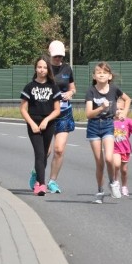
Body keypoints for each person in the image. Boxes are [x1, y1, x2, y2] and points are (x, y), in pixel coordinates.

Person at [85, 62, 131, 204]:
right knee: (99, 163)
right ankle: (100, 191)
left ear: (110, 76)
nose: (101, 74)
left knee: (109, 158)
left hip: (107, 125)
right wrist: (100, 108)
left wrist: (124, 112)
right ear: (94, 76)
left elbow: (127, 99)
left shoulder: (114, 89)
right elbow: (88, 114)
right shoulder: (91, 91)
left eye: (105, 72)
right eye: (98, 72)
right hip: (93, 127)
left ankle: (113, 182)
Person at [19, 56, 62, 196]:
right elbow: (23, 109)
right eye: (39, 67)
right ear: (35, 68)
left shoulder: (53, 87)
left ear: (48, 69)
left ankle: (38, 179)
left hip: (48, 124)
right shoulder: (29, 87)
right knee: (39, 153)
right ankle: (41, 185)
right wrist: (32, 123)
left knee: (44, 154)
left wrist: (46, 120)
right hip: (33, 124)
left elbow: (57, 110)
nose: (41, 70)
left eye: (44, 67)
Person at [42, 40, 75, 194]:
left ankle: (52, 181)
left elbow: (72, 87)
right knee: (45, 151)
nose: (58, 59)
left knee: (59, 149)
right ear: (50, 54)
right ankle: (37, 173)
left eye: (61, 57)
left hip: (64, 113)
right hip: (47, 113)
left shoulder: (67, 68)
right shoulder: (44, 68)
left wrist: (70, 93)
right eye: (55, 57)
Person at [112, 101, 132, 197]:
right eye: (116, 109)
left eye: (121, 109)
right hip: (114, 149)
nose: (119, 111)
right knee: (116, 165)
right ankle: (115, 182)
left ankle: (124, 186)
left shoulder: (127, 121)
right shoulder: (109, 121)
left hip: (125, 149)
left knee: (124, 170)